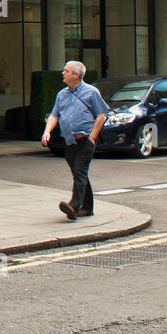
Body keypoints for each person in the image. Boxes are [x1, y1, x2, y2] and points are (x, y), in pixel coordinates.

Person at [41, 60, 108, 220]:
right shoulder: (62, 94)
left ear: (76, 75)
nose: (63, 73)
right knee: (79, 174)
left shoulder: (91, 92)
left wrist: (92, 137)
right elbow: (54, 115)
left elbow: (101, 115)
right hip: (69, 141)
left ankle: (74, 206)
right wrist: (47, 131)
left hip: (85, 139)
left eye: (66, 71)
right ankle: (87, 208)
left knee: (79, 172)